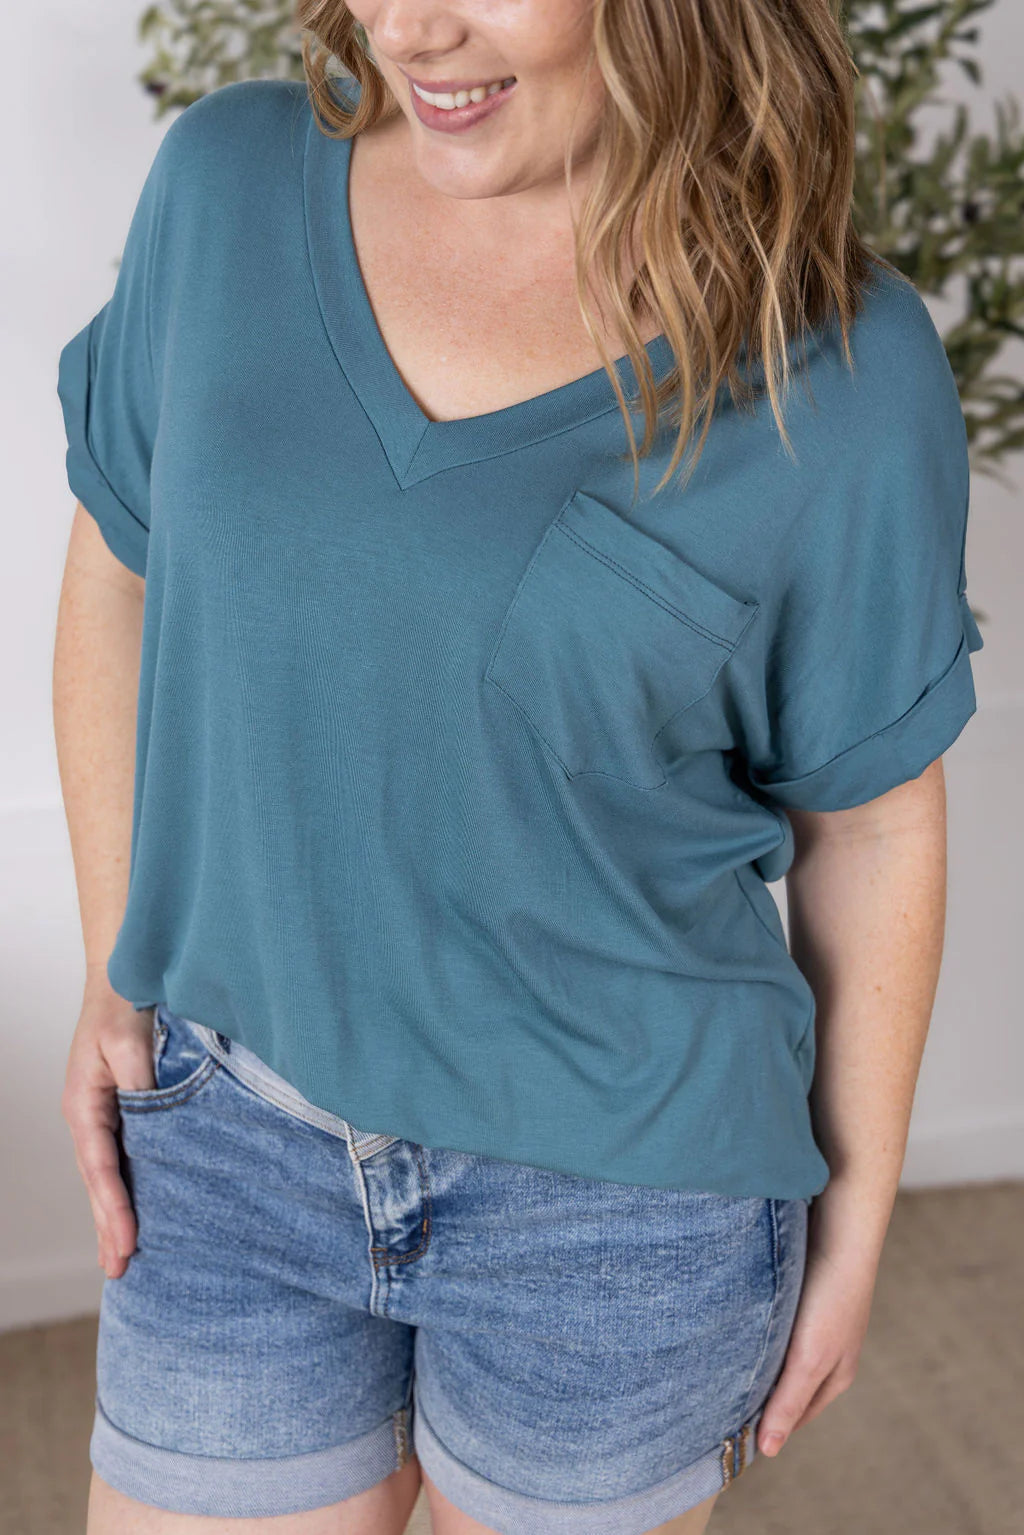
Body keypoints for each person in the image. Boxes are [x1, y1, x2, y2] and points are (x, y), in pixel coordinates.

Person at [53, 2, 984, 1532]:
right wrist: (117, 959)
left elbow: (871, 825)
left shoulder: (838, 362)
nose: (411, 27)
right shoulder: (224, 189)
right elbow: (117, 575)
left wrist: (858, 1221)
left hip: (621, 1215)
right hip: (233, 1144)